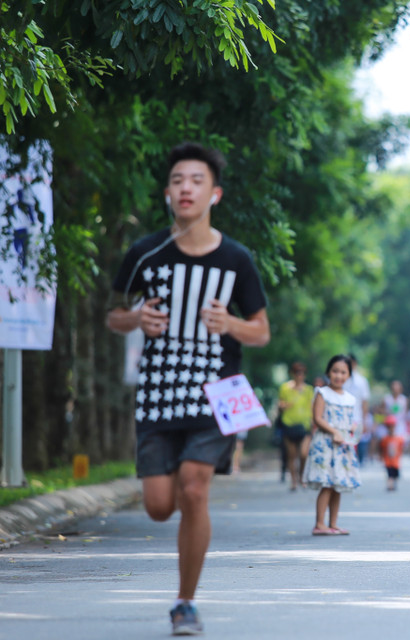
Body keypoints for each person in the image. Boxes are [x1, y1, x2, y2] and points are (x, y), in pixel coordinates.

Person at [106, 142, 270, 634]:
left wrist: (231, 324)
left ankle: (185, 602)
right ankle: (179, 520)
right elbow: (114, 315)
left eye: (196, 181)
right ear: (167, 193)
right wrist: (136, 318)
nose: (186, 188)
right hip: (158, 393)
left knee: (195, 489)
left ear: (213, 194)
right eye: (178, 180)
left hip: (218, 392)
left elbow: (261, 330)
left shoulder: (236, 259)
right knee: (159, 506)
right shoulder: (145, 254)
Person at [304, 354, 361, 535]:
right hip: (326, 444)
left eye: (343, 372)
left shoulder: (350, 398)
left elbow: (351, 420)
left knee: (338, 484)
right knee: (327, 484)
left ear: (349, 375)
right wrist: (334, 431)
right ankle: (319, 524)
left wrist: (351, 428)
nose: (338, 375)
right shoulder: (322, 393)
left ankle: (333, 523)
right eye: (335, 371)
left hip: (342, 445)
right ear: (328, 372)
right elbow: (317, 418)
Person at [277, 362, 313, 491]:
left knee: (303, 454)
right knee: (291, 455)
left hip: (304, 425)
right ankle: (293, 481)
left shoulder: (309, 390)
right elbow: (280, 403)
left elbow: (312, 407)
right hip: (289, 423)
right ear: (293, 374)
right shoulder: (285, 388)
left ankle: (301, 476)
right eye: (297, 372)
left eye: (302, 373)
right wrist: (283, 406)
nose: (300, 375)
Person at [343, 353, 371, 464]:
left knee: (353, 445)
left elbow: (365, 402)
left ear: (355, 364)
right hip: (342, 417)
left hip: (356, 417)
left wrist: (365, 421)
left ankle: (352, 468)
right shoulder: (342, 379)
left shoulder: (362, 381)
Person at [379, 414, 404, 491]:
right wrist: (381, 457)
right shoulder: (384, 439)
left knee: (396, 475)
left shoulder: (399, 439)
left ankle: (394, 484)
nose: (390, 428)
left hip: (396, 462)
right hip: (388, 461)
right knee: (389, 474)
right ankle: (390, 485)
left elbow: (401, 449)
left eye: (392, 426)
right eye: (389, 426)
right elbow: (381, 449)